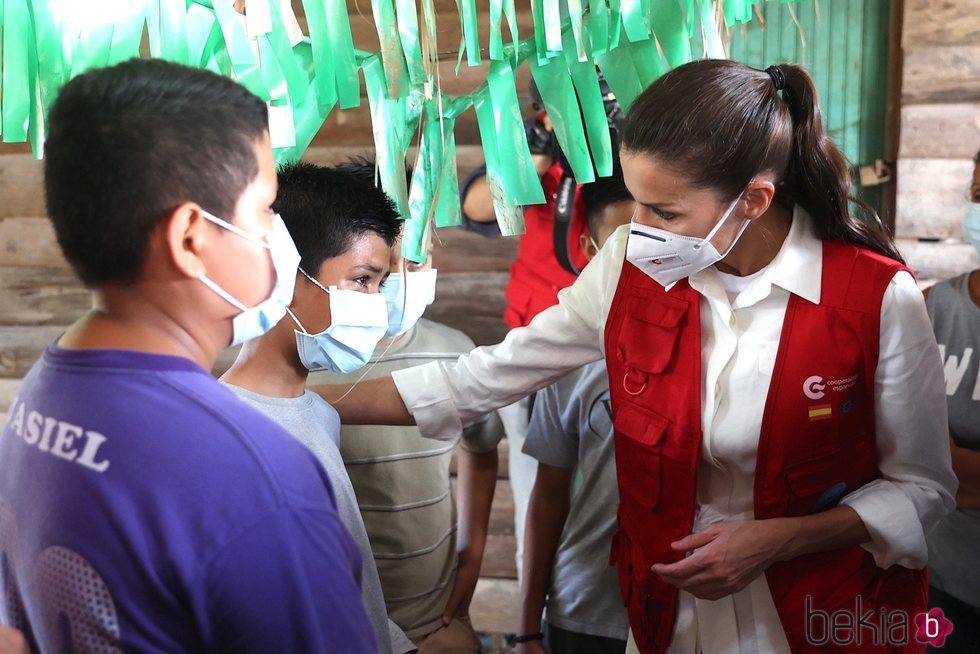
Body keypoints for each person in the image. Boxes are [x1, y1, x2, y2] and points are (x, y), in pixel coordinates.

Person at [311, 60, 957, 653]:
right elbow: (482, 378)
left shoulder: (873, 298)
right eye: (636, 199)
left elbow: (924, 489)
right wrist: (303, 396)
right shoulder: (628, 264)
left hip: (818, 619)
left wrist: (781, 538)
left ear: (753, 201)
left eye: (666, 211)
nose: (638, 228)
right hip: (665, 621)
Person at [0, 60, 374, 652]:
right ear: (191, 240)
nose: (279, 234)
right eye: (264, 209)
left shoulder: (42, 393)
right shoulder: (259, 479)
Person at [308, 159, 504, 653]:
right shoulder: (305, 362)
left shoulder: (456, 353)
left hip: (430, 620)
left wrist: (472, 555)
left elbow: (481, 448)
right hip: (338, 625)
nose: (398, 279)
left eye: (415, 260)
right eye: (373, 271)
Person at [220, 162, 413, 654]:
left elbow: (345, 587)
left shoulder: (317, 411)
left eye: (379, 285)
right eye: (361, 280)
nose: (374, 305)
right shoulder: (228, 437)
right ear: (286, 274)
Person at [460, 77, 622, 583]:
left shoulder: (635, 155)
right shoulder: (535, 156)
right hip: (534, 356)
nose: (586, 115)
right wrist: (534, 157)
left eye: (598, 104)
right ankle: (538, 612)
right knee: (538, 495)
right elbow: (477, 209)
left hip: (614, 353)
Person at [516, 173, 634, 654]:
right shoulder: (568, 359)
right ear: (588, 247)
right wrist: (526, 628)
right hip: (585, 610)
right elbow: (548, 498)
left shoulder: (716, 342)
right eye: (620, 244)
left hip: (696, 610)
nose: (640, 260)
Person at [923, 148, 980, 653]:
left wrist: (948, 472)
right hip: (940, 581)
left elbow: (934, 469)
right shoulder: (933, 307)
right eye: (979, 193)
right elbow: (911, 456)